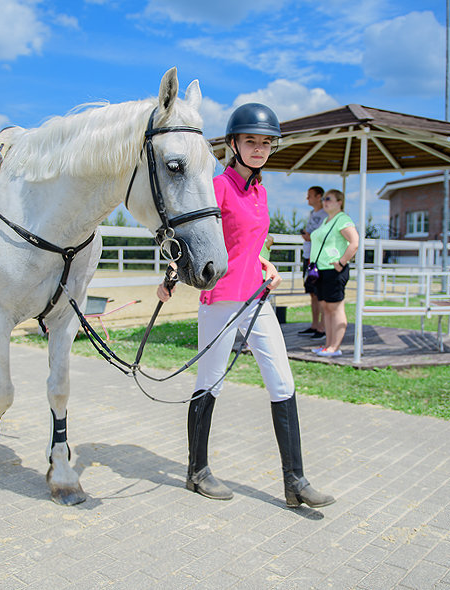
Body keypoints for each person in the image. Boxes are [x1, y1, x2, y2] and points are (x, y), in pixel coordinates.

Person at [157, 103, 335, 509]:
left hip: (256, 299)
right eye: (251, 141)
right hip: (220, 298)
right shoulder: (217, 188)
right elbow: (194, 239)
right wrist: (170, 277)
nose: (259, 148)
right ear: (234, 144)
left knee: (282, 382)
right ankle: (197, 471)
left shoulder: (261, 193)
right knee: (210, 380)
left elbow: (253, 243)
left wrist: (266, 262)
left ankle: (296, 482)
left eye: (266, 143)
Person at [309, 189, 359, 358]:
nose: (325, 202)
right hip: (321, 270)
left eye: (329, 199)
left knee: (336, 308)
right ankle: (329, 344)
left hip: (333, 270)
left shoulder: (342, 219)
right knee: (326, 308)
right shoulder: (326, 220)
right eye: (324, 199)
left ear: (339, 202)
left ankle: (335, 346)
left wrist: (341, 262)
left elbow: (354, 242)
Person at [299, 186, 327, 339]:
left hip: (318, 258)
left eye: (310, 195)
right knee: (312, 293)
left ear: (319, 196)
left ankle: (322, 328)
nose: (307, 198)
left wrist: (312, 237)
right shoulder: (312, 213)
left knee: (320, 293)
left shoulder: (326, 214)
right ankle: (314, 325)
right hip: (308, 256)